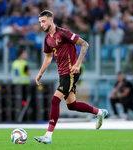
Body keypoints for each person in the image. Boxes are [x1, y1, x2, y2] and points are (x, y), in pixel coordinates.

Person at [34, 10, 108, 144]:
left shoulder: (64, 33)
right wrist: (40, 73)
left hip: (71, 72)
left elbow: (85, 44)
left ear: (51, 20)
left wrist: (78, 64)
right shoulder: (47, 39)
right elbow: (48, 57)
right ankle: (99, 112)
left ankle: (48, 136)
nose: (41, 24)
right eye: (40, 22)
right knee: (72, 105)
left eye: (43, 21)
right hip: (62, 74)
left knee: (55, 100)